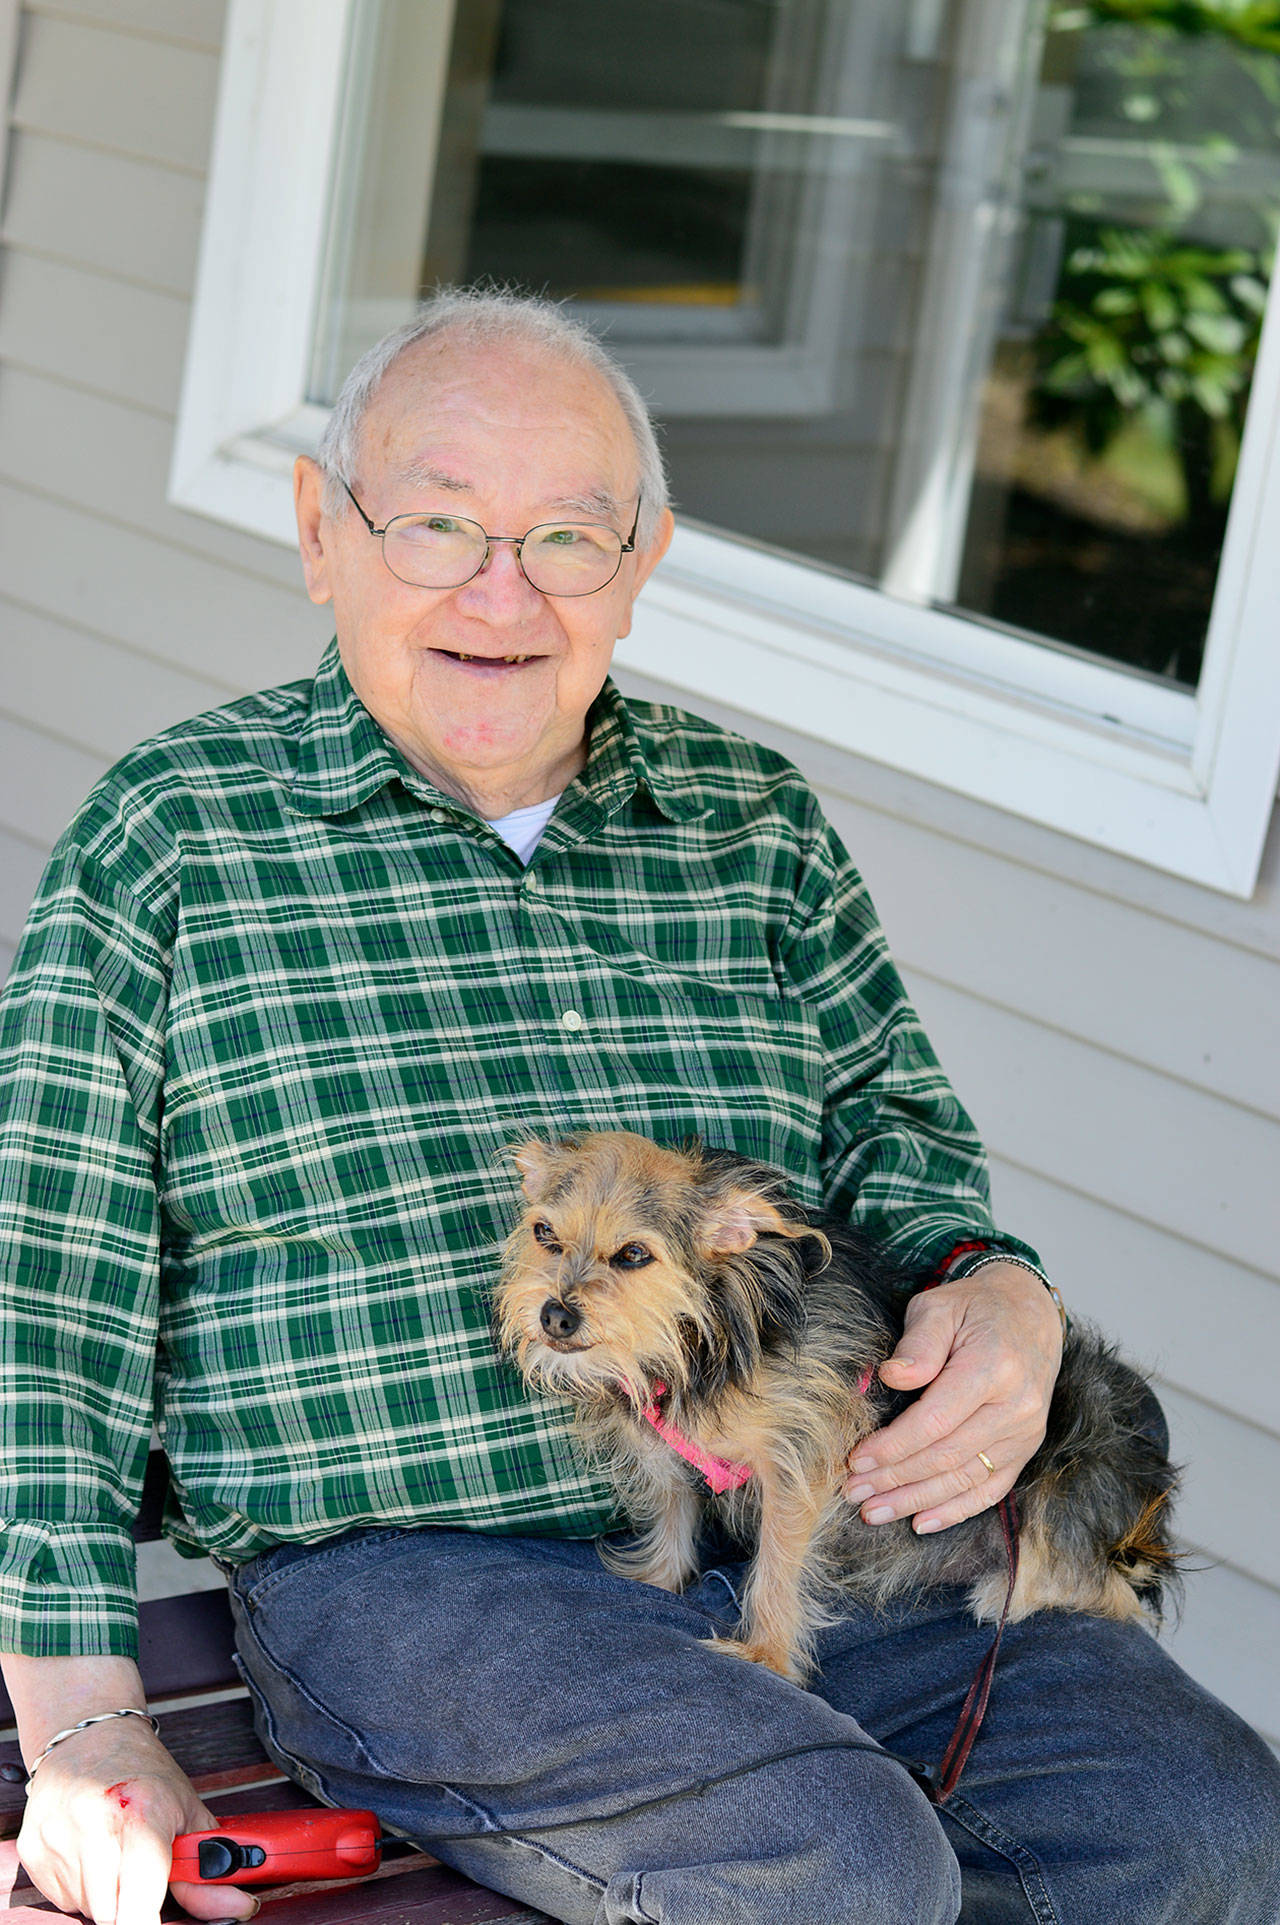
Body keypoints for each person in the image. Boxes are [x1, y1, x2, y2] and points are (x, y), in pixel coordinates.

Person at [1, 289, 1277, 1925]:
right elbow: (51, 1300)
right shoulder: (172, 841)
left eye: (564, 536)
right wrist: (87, 1729)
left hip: (818, 1532)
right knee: (837, 1867)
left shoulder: (754, 827)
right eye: (440, 524)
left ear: (645, 560)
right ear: (322, 531)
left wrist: (999, 1285)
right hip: (430, 1580)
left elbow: (903, 1144)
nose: (501, 591)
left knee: (1203, 1822)